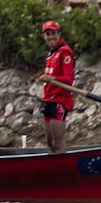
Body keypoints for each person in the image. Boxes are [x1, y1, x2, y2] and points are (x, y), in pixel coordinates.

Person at [39, 20, 75, 154]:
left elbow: (69, 80)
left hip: (60, 100)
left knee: (57, 141)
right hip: (48, 99)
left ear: (59, 34)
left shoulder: (65, 53)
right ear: (44, 36)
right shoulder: (50, 54)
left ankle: (63, 167)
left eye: (53, 33)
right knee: (49, 141)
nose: (51, 37)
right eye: (48, 34)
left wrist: (52, 79)